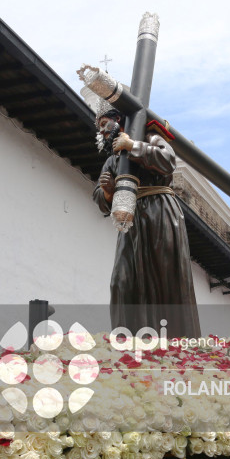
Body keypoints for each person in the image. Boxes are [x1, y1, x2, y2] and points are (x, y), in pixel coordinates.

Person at [92, 108, 201, 339]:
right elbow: (100, 201)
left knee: (165, 276)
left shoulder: (149, 137)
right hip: (130, 218)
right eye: (99, 128)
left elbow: (167, 160)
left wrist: (133, 147)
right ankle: (128, 340)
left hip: (159, 210)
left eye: (104, 123)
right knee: (122, 280)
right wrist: (108, 191)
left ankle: (175, 341)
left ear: (118, 120)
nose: (101, 130)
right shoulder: (112, 160)